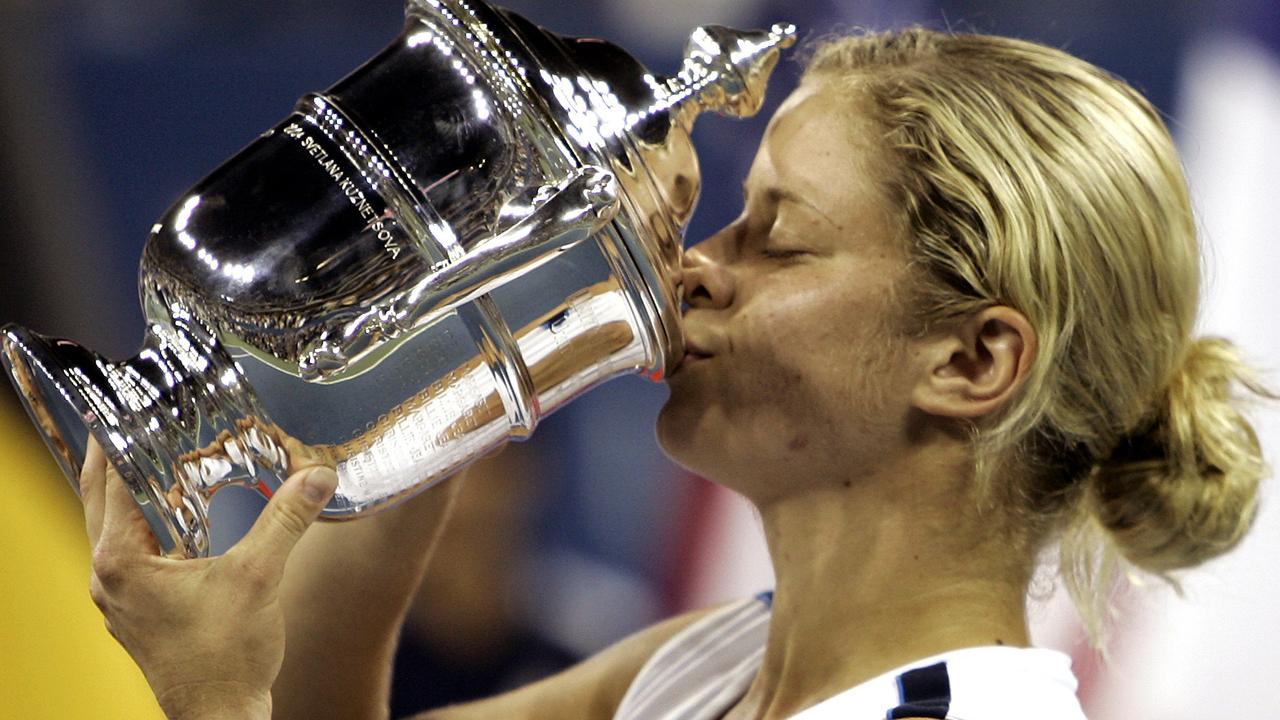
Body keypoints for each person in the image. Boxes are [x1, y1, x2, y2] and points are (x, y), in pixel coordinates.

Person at [76, 27, 1269, 720]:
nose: (694, 268)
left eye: (777, 235)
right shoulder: (710, 664)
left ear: (968, 360)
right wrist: (475, 316)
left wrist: (212, 708)